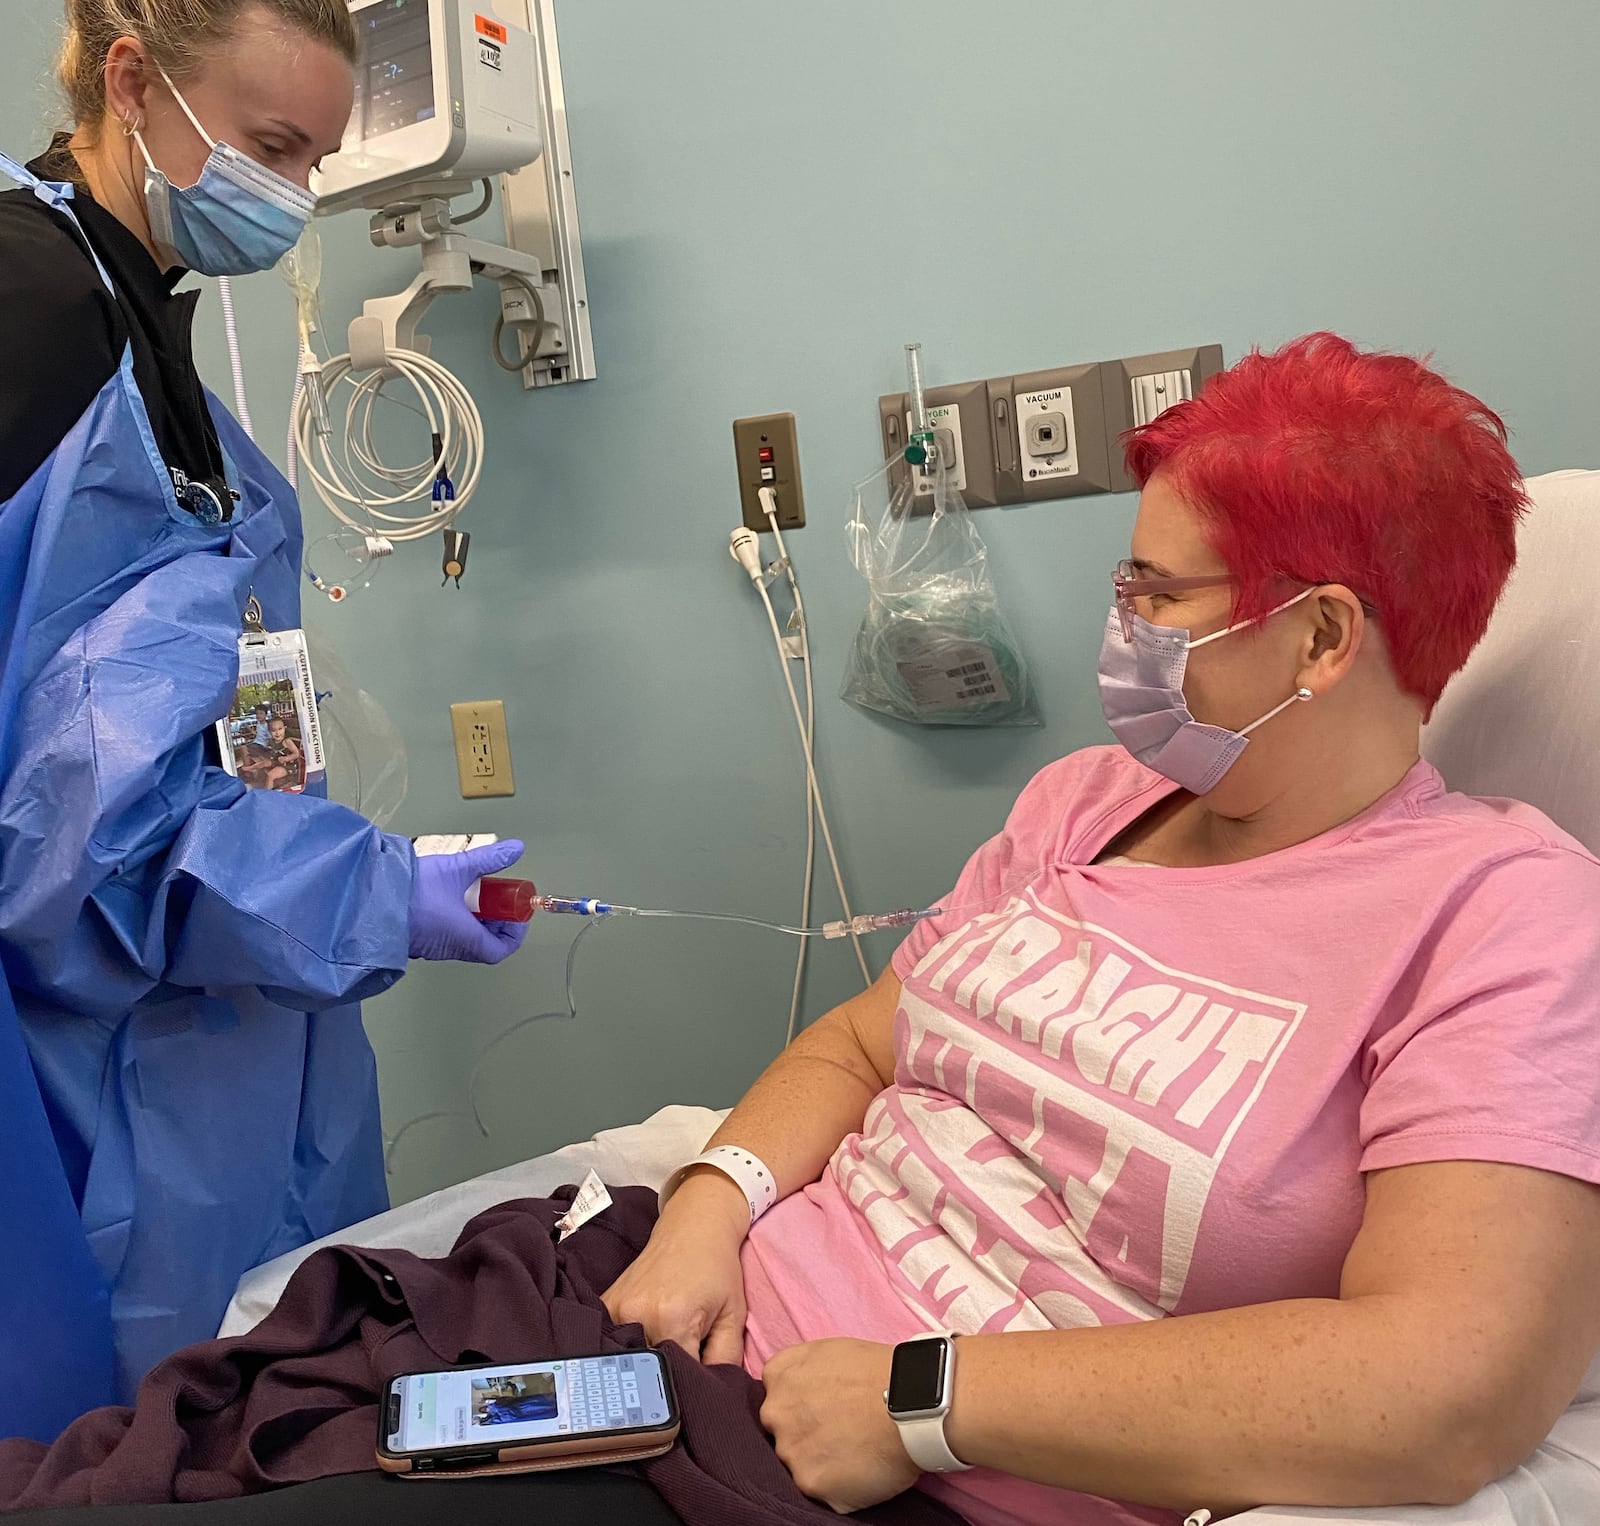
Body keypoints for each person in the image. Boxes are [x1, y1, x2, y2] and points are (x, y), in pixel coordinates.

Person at [603, 334, 1600, 1525]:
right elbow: (861, 1047)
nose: (1122, 623)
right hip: (682, 1326)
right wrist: (708, 1201)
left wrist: (922, 1398)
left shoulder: (1499, 913)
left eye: (1159, 593)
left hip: (857, 1472)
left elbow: (1449, 1389)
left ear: (1324, 637)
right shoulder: (1084, 804)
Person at [0, 0, 532, 1440]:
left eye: (317, 160)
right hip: (87, 1066)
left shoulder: (139, 333)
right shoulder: (29, 312)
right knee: (118, 1439)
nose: (292, 197)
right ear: (132, 80)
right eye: (271, 144)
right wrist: (364, 888)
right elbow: (83, 847)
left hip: (213, 1046)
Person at [262, 713, 302, 790]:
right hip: (278, 763)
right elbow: (272, 752)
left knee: (270, 775)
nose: (277, 733)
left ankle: (268, 794)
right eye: (273, 730)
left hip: (288, 766)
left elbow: (297, 753)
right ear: (269, 732)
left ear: (284, 728)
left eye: (280, 729)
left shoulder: (287, 741)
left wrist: (287, 758)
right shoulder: (272, 741)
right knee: (263, 765)